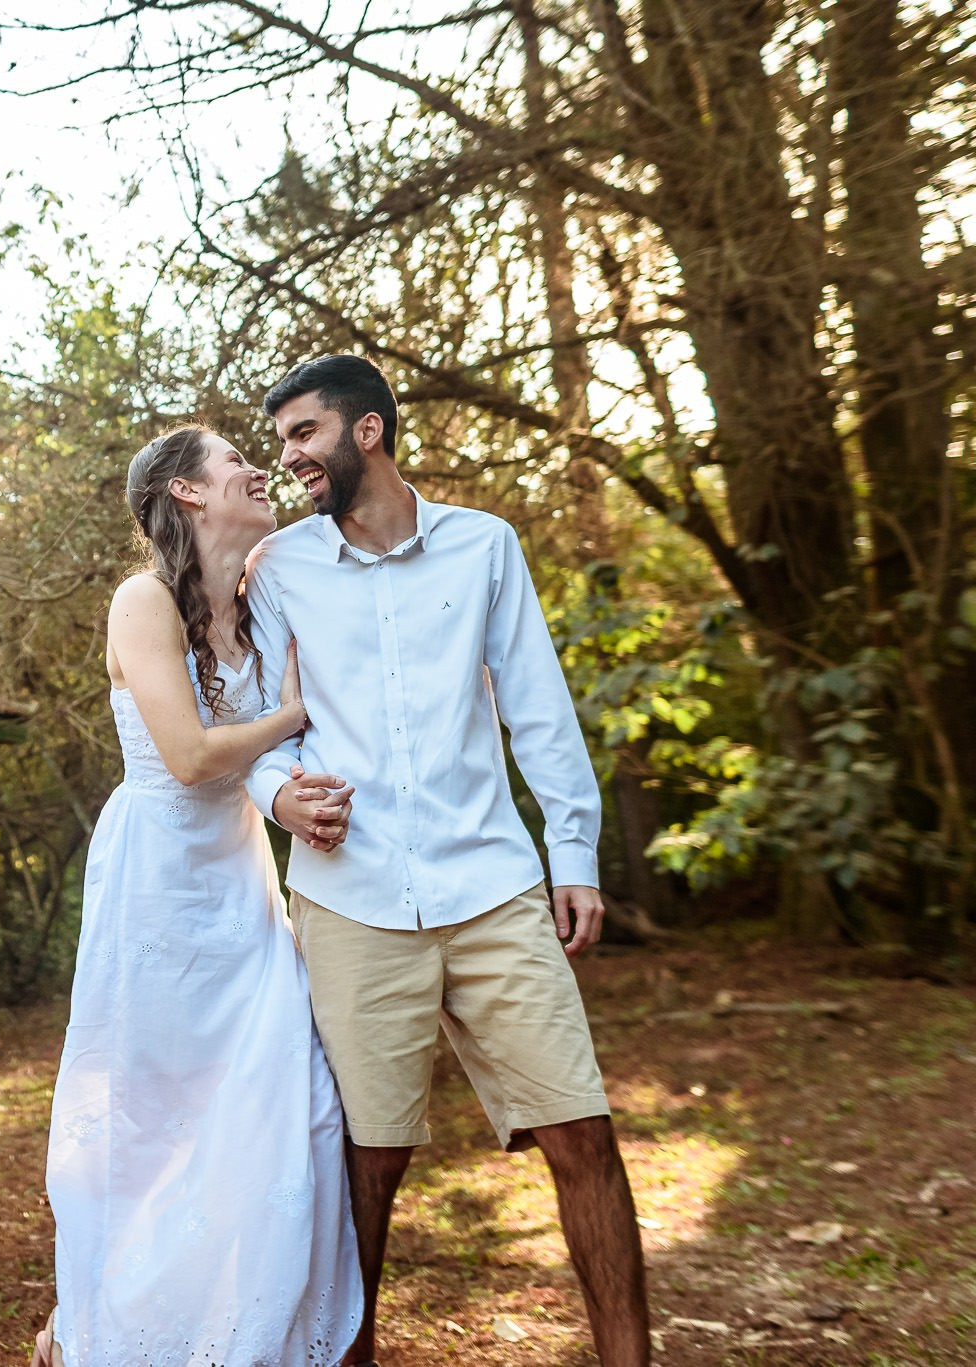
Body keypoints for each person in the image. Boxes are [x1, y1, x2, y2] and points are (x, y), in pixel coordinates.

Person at [243, 355, 651, 1367]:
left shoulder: (484, 545)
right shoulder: (279, 568)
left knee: (580, 1132)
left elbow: (537, 705)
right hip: (351, 899)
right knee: (367, 1163)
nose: (288, 456)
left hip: (491, 887)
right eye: (282, 440)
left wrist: (572, 851)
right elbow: (254, 721)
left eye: (303, 433)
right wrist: (279, 795)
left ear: (367, 429)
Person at [38, 425, 361, 1367]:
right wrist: (290, 714)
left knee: (292, 1105)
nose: (258, 470)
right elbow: (185, 756)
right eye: (233, 462)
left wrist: (299, 778)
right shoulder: (141, 601)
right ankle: (106, 1332)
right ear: (186, 492)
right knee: (154, 1126)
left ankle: (249, 1334)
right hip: (159, 885)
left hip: (244, 885)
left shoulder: (260, 606)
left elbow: (269, 757)